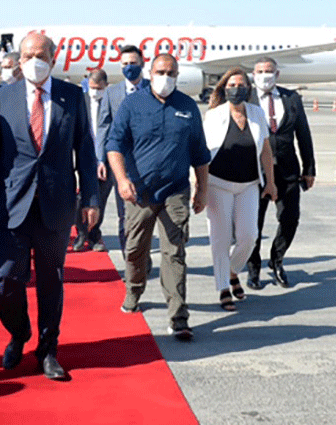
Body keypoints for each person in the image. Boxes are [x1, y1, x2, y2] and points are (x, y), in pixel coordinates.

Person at [0, 32, 99, 380]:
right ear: (19, 60)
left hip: (55, 205)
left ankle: (48, 350)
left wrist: (91, 198)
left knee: (51, 281)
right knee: (6, 279)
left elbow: (85, 150)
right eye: (28, 55)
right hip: (11, 205)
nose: (35, 61)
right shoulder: (3, 97)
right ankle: (19, 333)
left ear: (53, 58)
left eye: (41, 55)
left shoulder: (71, 96)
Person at [106, 53, 211, 341]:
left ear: (177, 76)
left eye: (171, 73)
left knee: (174, 253)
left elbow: (200, 154)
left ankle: (178, 317)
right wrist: (122, 180)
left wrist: (202, 190)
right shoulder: (132, 104)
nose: (166, 78)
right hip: (139, 193)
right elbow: (114, 145)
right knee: (135, 248)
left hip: (175, 191)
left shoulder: (187, 107)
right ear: (150, 73)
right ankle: (134, 289)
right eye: (160, 72)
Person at [202, 68, 277, 312]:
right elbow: (203, 153)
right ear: (224, 89)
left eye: (241, 85)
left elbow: (266, 150)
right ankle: (224, 287)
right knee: (220, 238)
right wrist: (199, 186)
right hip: (218, 184)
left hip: (249, 184)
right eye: (232, 85)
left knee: (249, 236)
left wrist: (271, 182)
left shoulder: (256, 113)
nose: (237, 89)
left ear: (248, 88)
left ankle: (233, 270)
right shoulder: (214, 115)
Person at [246, 56, 316, 289]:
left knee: (290, 218)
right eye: (259, 71)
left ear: (277, 74)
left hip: (287, 170)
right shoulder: (246, 97)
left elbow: (303, 134)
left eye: (268, 71)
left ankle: (277, 260)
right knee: (253, 223)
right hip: (255, 170)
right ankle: (253, 267)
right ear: (253, 74)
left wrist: (309, 168)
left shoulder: (291, 98)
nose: (264, 75)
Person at [95, 45, 150, 256]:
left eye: (133, 63)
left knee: (147, 213)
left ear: (142, 63)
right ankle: (131, 258)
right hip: (121, 163)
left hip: (148, 162)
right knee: (124, 213)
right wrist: (100, 158)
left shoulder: (153, 89)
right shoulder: (112, 93)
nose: (129, 67)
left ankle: (142, 256)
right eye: (125, 64)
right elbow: (103, 126)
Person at [73, 68, 110, 252]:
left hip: (106, 160)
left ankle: (94, 235)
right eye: (92, 87)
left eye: (99, 88)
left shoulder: (110, 102)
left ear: (106, 86)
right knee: (81, 198)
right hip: (84, 158)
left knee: (100, 199)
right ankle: (81, 233)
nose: (95, 91)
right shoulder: (80, 101)